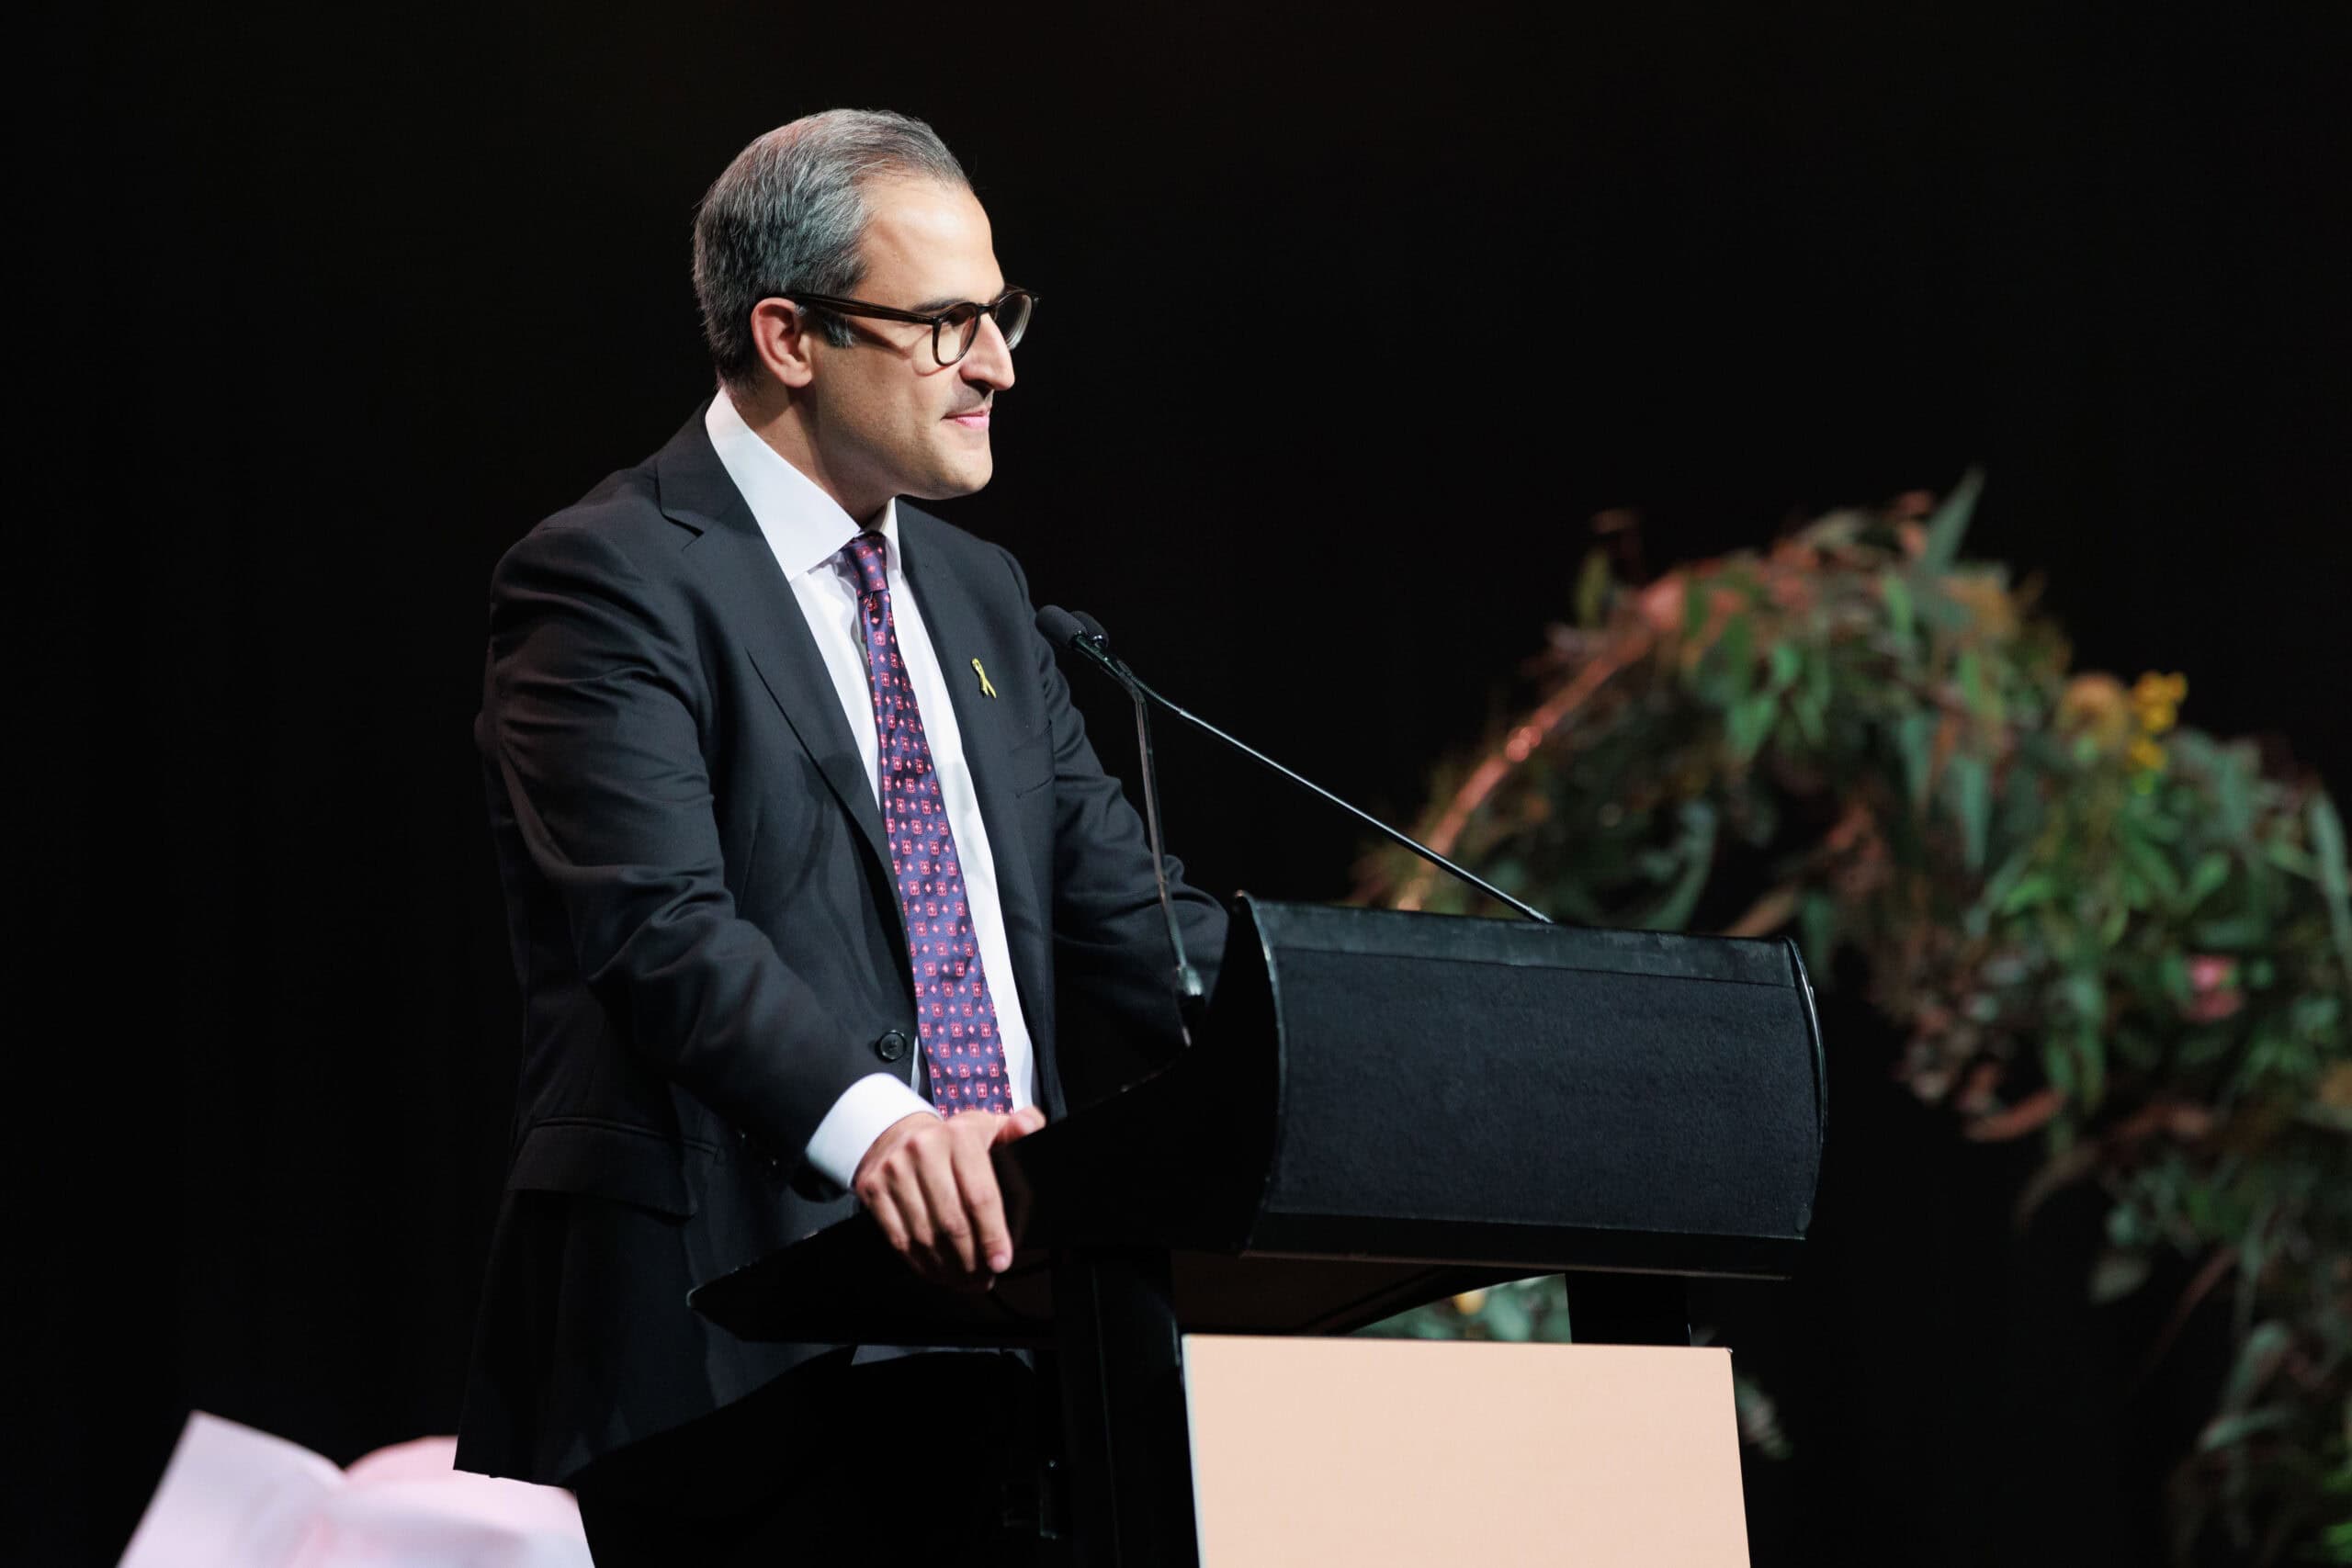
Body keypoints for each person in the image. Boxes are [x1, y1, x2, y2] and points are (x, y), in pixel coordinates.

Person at [454, 108, 1227, 1565]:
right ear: (790, 335)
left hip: (1025, 1335)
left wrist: (1374, 1042)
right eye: (945, 325)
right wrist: (885, 1132)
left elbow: (1139, 927)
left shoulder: (984, 595)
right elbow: (659, 930)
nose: (996, 365)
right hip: (738, 1356)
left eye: (1000, 314)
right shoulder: (607, 579)